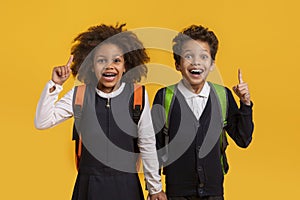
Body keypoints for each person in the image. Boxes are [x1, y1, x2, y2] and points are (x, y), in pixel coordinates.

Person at [34, 23, 167, 200]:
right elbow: (42, 121)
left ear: (126, 66)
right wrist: (55, 85)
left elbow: (147, 144)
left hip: (126, 185)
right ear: (90, 65)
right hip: (89, 186)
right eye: (101, 60)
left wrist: (155, 188)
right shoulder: (79, 95)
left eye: (116, 60)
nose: (109, 66)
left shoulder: (137, 96)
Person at [151, 25, 254, 200]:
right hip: (177, 193)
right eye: (188, 56)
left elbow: (243, 139)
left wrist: (245, 104)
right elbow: (154, 147)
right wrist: (154, 188)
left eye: (203, 56)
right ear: (177, 64)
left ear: (212, 64)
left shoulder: (223, 96)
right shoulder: (164, 97)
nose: (196, 62)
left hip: (213, 192)